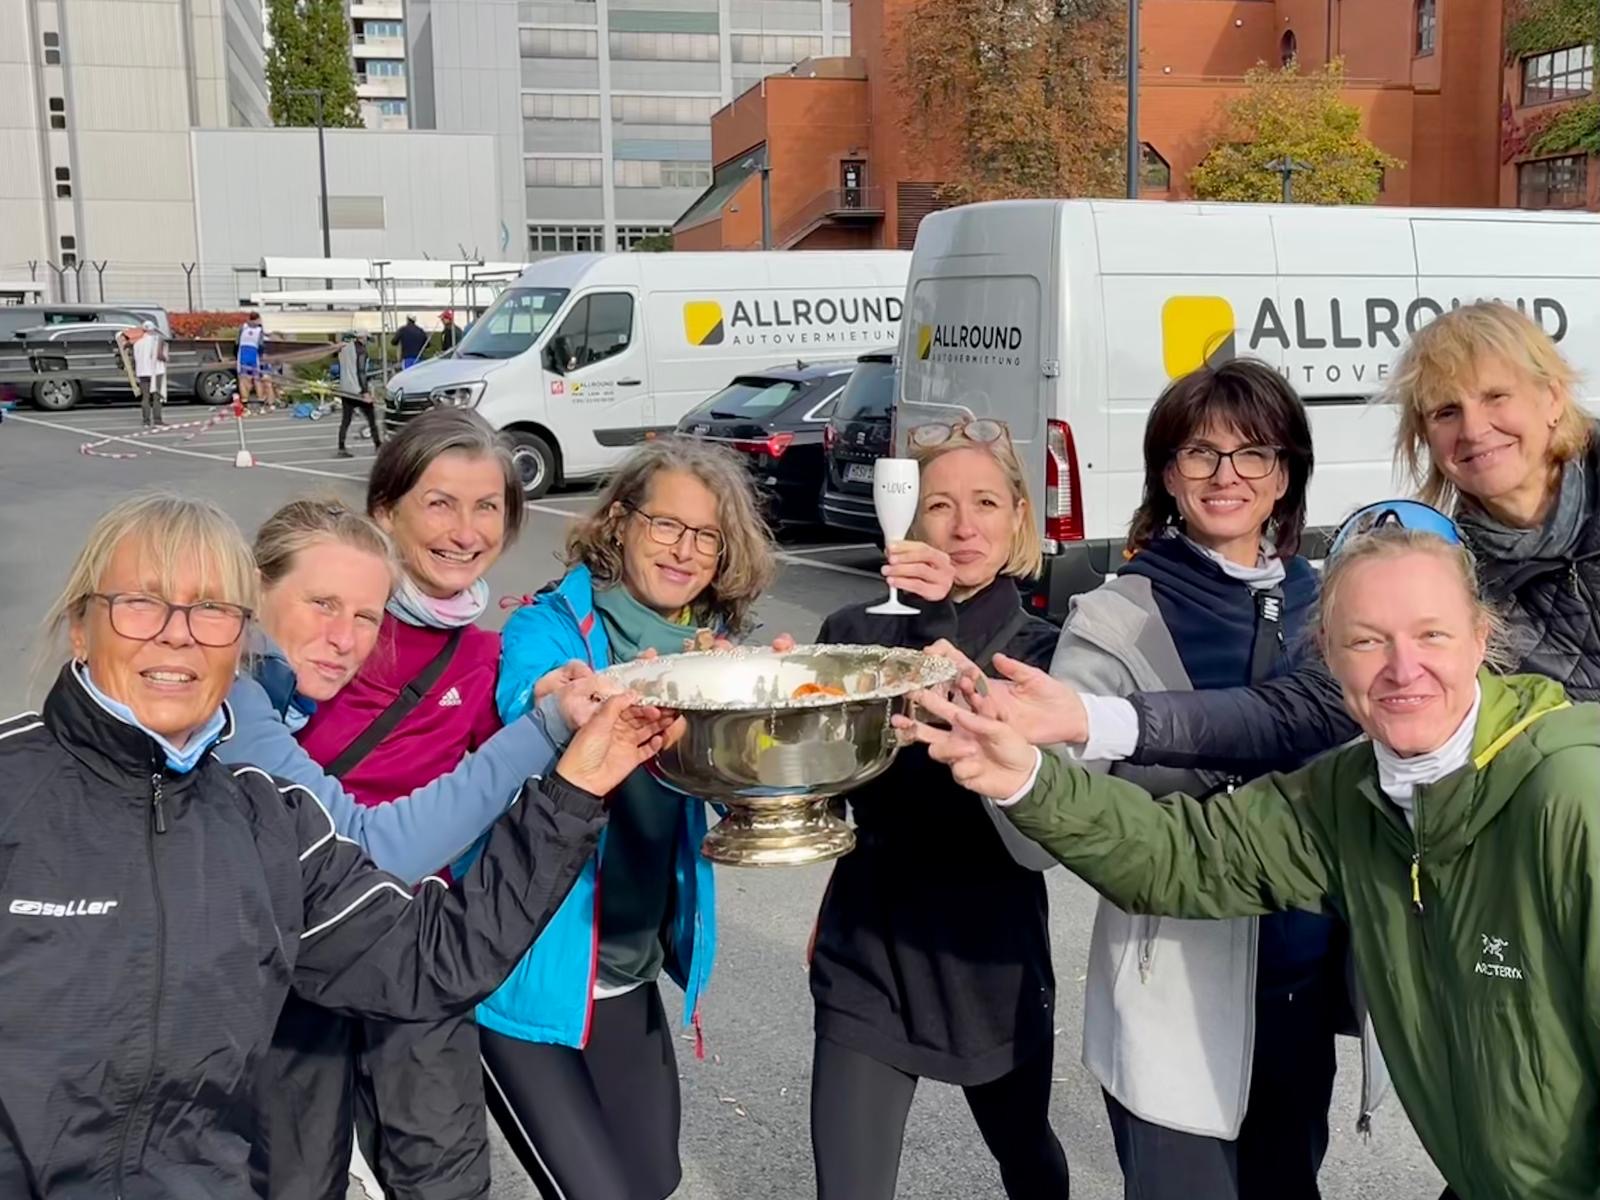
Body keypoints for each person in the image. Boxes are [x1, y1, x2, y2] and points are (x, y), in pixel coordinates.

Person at [0, 492, 682, 1199]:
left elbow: (434, 959)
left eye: (210, 611)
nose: (180, 635)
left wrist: (576, 786)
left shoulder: (266, 820)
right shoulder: (11, 798)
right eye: (142, 602)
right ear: (81, 626)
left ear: (239, 636)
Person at [900, 519, 1600, 1200]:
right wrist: (1027, 776)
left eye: (1431, 635)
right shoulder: (1351, 794)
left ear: (1481, 640)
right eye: (1366, 641)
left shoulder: (1571, 795)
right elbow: (1184, 857)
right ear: (1326, 653)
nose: (1402, 668)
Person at [1044, 359, 1362, 1200]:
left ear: (1286, 473)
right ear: (1166, 473)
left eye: (1254, 453)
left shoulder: (1328, 604)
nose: (1228, 477)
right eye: (1201, 453)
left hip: (1302, 976)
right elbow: (1055, 804)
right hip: (1172, 985)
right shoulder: (1117, 614)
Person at [1063, 300, 1599, 783]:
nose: (1475, 428)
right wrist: (1098, 717)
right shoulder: (1441, 569)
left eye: (1496, 396)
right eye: (1445, 411)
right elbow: (1310, 707)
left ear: (1552, 397)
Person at [478, 437, 777, 1200]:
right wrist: (572, 698)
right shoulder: (550, 626)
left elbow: (759, 799)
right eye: (665, 525)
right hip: (526, 972)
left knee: (653, 1179)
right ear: (618, 524)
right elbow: (532, 695)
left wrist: (769, 711)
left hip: (623, 974)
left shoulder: (715, 655)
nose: (685, 549)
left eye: (705, 534)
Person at [253, 409, 532, 1200]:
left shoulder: (486, 654)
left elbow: (511, 774)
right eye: (440, 502)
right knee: (292, 1175)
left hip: (410, 947)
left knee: (441, 1174)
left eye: (488, 507)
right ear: (385, 510)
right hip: (291, 948)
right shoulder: (304, 632)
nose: (466, 530)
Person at [806, 418, 1069, 1200]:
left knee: (1026, 1154)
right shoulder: (852, 633)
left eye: (986, 502)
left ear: (1019, 517)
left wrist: (936, 624)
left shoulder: (1045, 654)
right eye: (940, 504)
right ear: (908, 518)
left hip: (990, 950)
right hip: (870, 947)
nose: (963, 527)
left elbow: (1046, 820)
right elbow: (819, 791)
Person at [219, 496, 606, 886]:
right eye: (322, 604)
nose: (343, 639)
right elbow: (365, 848)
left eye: (365, 618)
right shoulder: (231, 703)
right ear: (255, 588)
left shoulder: (263, 693)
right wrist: (549, 724)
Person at [336, 332, 381, 458]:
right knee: (371, 418)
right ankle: (378, 445)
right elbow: (361, 372)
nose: (367, 341)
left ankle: (341, 447)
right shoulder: (361, 351)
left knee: (346, 420)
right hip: (357, 390)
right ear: (363, 338)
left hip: (345, 388)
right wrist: (365, 392)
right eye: (367, 338)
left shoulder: (343, 349)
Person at [120, 319, 168, 428]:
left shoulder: (136, 341)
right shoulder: (157, 339)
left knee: (145, 397)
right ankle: (157, 420)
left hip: (142, 371)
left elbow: (124, 346)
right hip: (156, 371)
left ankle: (146, 421)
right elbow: (159, 355)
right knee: (156, 397)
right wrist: (166, 359)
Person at [237, 311, 275, 409]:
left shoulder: (243, 327)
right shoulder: (259, 330)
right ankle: (261, 400)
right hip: (254, 355)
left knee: (243, 379)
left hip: (243, 354)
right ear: (258, 319)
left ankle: (245, 402)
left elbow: (237, 342)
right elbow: (261, 345)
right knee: (257, 379)